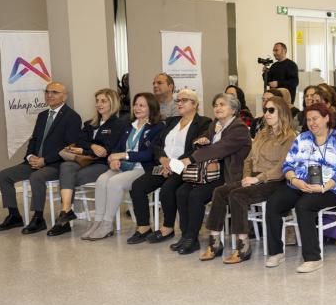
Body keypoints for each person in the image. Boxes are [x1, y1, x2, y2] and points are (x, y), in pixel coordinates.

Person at [199, 94, 297, 262]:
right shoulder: (262, 134)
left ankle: (243, 245)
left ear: (282, 112)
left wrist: (258, 179)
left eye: (271, 110)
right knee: (220, 191)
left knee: (237, 195)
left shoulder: (290, 137)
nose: (266, 113)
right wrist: (246, 177)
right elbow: (248, 160)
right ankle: (214, 242)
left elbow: (283, 167)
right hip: (253, 177)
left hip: (274, 181)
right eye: (265, 110)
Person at [264, 103, 336, 273]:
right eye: (309, 119)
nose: (312, 123)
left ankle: (313, 258)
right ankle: (276, 252)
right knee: (274, 202)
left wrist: (323, 187)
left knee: (304, 205)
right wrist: (294, 180)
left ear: (326, 118)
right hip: (301, 184)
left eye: (316, 119)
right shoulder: (302, 138)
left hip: (332, 189)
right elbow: (288, 164)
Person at [0, 81, 83, 234]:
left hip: (56, 164)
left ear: (64, 97)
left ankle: (38, 218)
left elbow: (70, 147)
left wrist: (45, 160)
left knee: (36, 177)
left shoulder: (72, 117)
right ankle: (14, 216)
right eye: (47, 91)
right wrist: (29, 157)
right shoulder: (42, 116)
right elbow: (34, 139)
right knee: (4, 176)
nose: (49, 95)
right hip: (34, 162)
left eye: (54, 92)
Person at [171, 92, 253, 257]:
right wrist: (202, 141)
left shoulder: (238, 127)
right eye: (215, 105)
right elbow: (204, 142)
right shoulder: (215, 125)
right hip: (208, 172)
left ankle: (192, 238)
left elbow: (219, 148)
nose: (217, 108)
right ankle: (187, 235)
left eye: (222, 104)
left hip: (228, 175)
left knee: (196, 195)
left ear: (233, 109)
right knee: (181, 192)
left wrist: (190, 159)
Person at [127, 88, 212, 246]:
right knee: (137, 186)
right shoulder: (172, 121)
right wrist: (163, 159)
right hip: (163, 164)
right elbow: (156, 144)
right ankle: (144, 227)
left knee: (168, 188)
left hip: (183, 167)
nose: (179, 103)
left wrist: (172, 165)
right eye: (177, 100)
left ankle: (167, 228)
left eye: (183, 100)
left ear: (195, 104)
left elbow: (194, 149)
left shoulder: (204, 122)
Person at [80, 92, 164, 241]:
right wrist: (112, 159)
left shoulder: (157, 127)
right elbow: (116, 148)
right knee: (101, 180)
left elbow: (149, 155)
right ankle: (98, 221)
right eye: (135, 105)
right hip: (123, 166)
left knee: (114, 182)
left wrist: (124, 156)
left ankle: (107, 224)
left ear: (151, 108)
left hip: (143, 168)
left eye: (142, 105)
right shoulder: (129, 125)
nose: (137, 108)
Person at [47, 88, 128, 237]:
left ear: (113, 103)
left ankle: (64, 219)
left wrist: (86, 149)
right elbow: (80, 140)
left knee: (70, 178)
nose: (99, 104)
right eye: (97, 101)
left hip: (103, 164)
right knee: (65, 166)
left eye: (103, 101)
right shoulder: (91, 123)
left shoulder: (119, 124)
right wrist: (91, 146)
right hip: (85, 161)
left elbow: (106, 151)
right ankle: (66, 210)